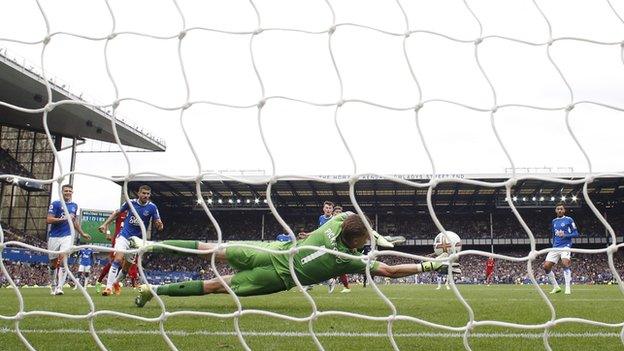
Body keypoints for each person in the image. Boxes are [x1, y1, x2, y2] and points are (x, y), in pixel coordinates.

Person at [133, 212, 459, 307]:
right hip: (276, 275)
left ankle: (148, 250)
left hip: (272, 253)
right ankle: (153, 283)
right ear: (357, 241)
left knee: (209, 249)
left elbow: (350, 215)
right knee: (214, 284)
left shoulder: (337, 223)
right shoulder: (347, 259)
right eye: (368, 238)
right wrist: (430, 264)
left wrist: (378, 236)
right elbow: (388, 269)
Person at [98, 185, 163, 296]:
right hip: (124, 236)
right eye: (143, 193)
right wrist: (105, 224)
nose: (146, 195)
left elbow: (159, 223)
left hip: (137, 241)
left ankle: (116, 283)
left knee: (126, 267)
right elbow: (117, 213)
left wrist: (159, 225)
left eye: (148, 194)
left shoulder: (152, 207)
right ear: (138, 193)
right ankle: (108, 288)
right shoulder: (130, 202)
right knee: (117, 259)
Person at [46, 184, 91, 295]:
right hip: (54, 236)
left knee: (63, 260)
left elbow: (74, 221)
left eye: (70, 191)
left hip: (67, 236)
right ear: (62, 192)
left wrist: (82, 233)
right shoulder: (56, 204)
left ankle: (60, 287)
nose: (68, 192)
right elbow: (49, 219)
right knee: (53, 264)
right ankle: (53, 284)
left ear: (72, 192)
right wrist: (64, 218)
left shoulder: (74, 206)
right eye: (66, 190)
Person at [543, 203, 579, 295]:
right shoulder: (554, 221)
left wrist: (565, 235)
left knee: (565, 263)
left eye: (561, 209)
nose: (559, 210)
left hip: (565, 246)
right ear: (555, 210)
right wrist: (553, 243)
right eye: (558, 209)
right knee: (546, 266)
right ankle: (556, 287)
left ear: (564, 210)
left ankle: (567, 288)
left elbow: (576, 233)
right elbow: (553, 234)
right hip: (555, 247)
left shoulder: (569, 219)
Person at [95, 211, 126, 293]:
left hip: (129, 239)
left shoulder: (135, 211)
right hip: (118, 239)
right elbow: (109, 221)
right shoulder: (121, 211)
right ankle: (99, 282)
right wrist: (108, 233)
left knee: (124, 263)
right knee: (113, 261)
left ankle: (115, 283)